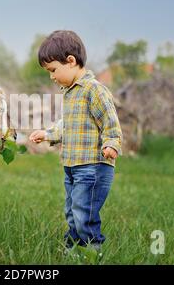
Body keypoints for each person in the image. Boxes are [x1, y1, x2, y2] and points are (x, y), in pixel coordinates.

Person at [29, 30, 123, 256]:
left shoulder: (94, 90)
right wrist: (47, 134)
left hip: (92, 167)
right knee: (72, 211)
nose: (51, 76)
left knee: (84, 212)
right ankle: (73, 250)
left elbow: (110, 121)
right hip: (72, 166)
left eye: (53, 70)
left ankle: (92, 252)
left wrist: (112, 143)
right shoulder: (70, 93)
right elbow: (66, 125)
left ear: (70, 61)